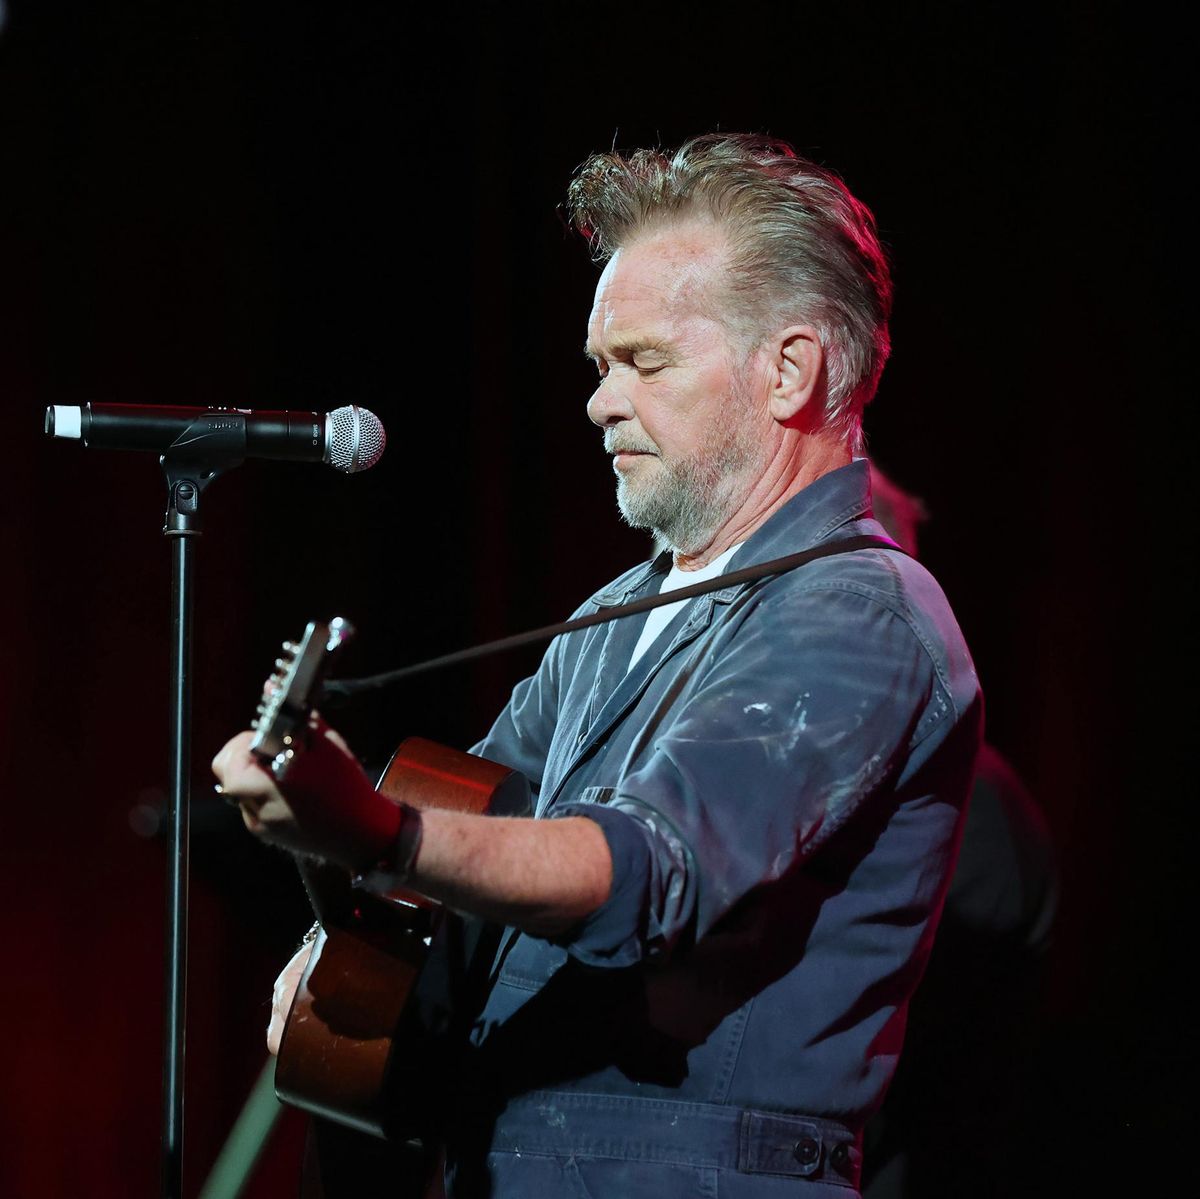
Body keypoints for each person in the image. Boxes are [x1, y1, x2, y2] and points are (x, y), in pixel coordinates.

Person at [213, 134, 983, 1199]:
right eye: (598, 365)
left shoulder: (861, 610)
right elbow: (475, 812)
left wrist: (382, 835)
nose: (599, 400)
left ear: (789, 370)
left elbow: (643, 872)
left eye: (645, 362)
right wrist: (350, 917)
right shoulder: (618, 613)